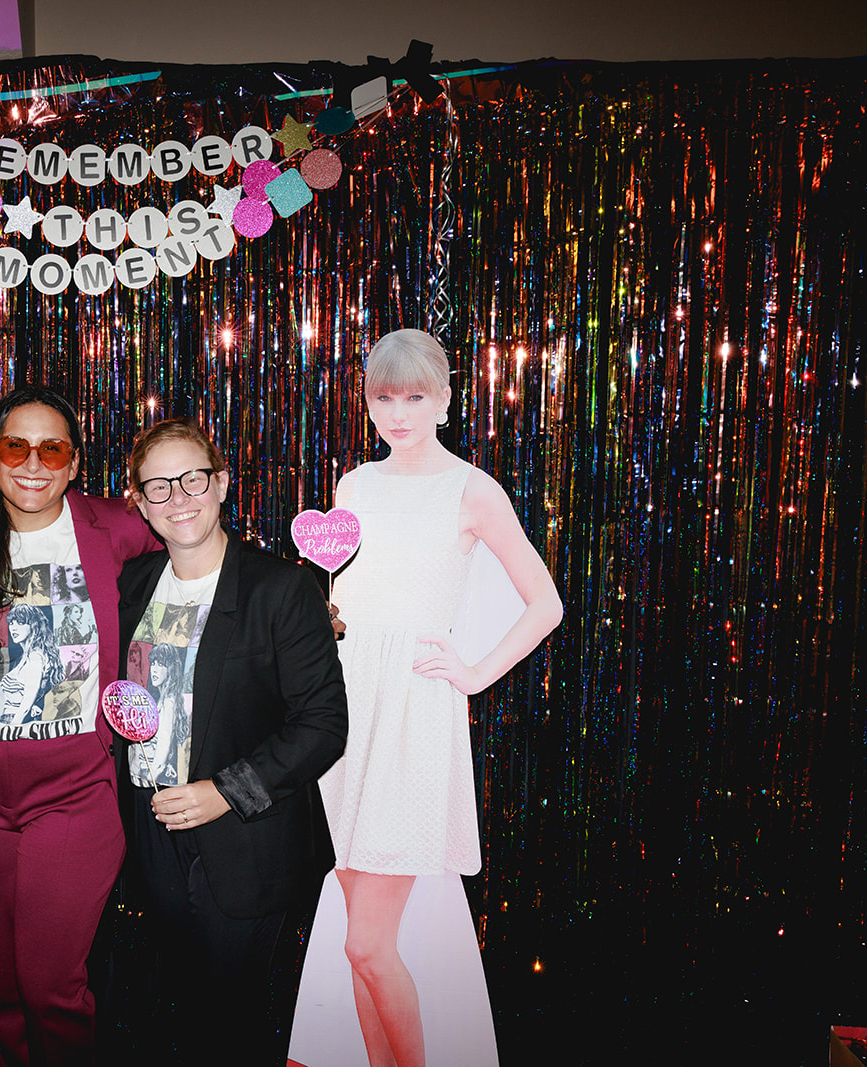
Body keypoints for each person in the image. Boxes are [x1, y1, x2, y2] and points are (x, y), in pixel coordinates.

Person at [319, 329, 564, 1067]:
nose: (399, 412)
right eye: (384, 397)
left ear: (446, 400)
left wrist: (476, 671)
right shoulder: (355, 483)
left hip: (413, 719)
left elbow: (545, 603)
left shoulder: (472, 489)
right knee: (355, 946)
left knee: (368, 941)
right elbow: (342, 596)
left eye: (415, 396)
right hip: (345, 708)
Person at [0, 386, 159, 1067]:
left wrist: (298, 602)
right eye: (14, 446)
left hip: (76, 795)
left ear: (75, 461)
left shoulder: (112, 524)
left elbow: (201, 534)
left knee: (50, 984)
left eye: (51, 447)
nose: (33, 462)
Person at [114, 418, 348, 1066]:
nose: (178, 497)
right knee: (180, 1009)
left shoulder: (280, 587)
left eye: (192, 478)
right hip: (152, 836)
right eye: (157, 486)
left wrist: (226, 791)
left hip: (244, 841)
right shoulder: (132, 584)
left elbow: (323, 724)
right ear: (139, 500)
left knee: (233, 1021)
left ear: (221, 483)